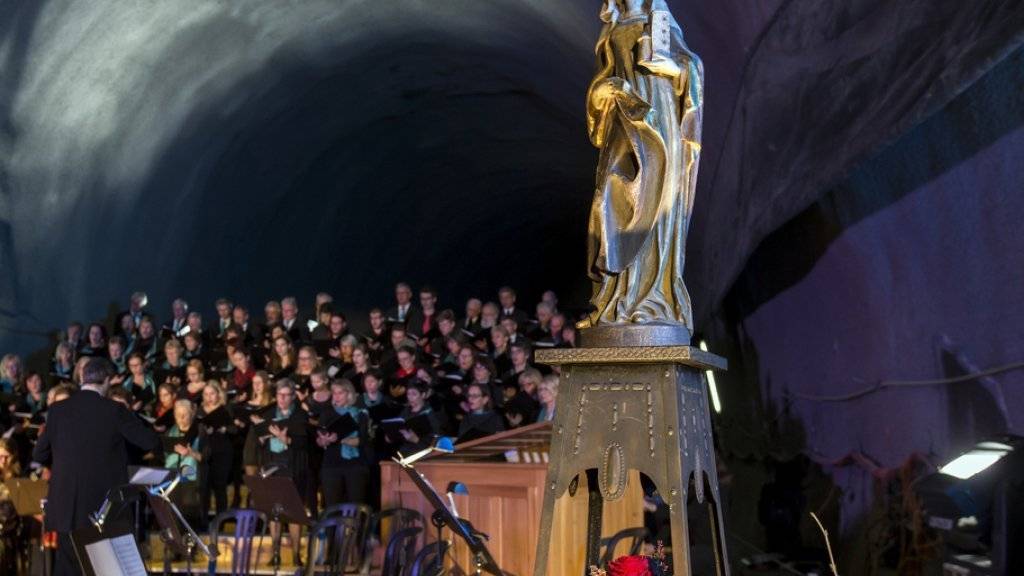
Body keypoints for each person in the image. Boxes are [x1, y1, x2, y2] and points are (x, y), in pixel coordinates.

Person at [32, 358, 159, 576]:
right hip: (103, 511)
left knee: (67, 569)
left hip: (66, 510)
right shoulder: (114, 410)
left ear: (82, 378)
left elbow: (39, 454)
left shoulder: (57, 410)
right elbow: (150, 442)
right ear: (107, 381)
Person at [258, 380, 307, 566]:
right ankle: (275, 553)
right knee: (274, 512)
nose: (282, 398)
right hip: (273, 467)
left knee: (294, 512)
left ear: (293, 396)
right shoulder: (269, 414)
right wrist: (262, 438)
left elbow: (303, 443)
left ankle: (296, 555)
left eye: (286, 395)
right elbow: (259, 439)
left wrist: (286, 439)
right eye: (279, 395)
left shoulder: (300, 415)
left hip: (293, 468)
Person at [318, 379, 370, 506]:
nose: (337, 396)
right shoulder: (327, 414)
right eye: (334, 393)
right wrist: (323, 440)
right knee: (333, 507)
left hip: (355, 465)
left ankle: (355, 526)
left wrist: (339, 439)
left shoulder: (360, 414)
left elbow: (362, 440)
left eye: (340, 393)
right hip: (331, 465)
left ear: (349, 394)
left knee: (355, 507)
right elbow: (319, 440)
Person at [198, 381, 234, 520]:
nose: (209, 397)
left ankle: (221, 520)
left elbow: (234, 429)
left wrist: (224, 429)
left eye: (212, 393)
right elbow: (197, 431)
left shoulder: (225, 409)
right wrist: (205, 431)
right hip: (205, 452)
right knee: (204, 488)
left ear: (218, 394)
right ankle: (203, 521)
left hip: (222, 452)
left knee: (220, 488)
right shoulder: (200, 410)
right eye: (206, 394)